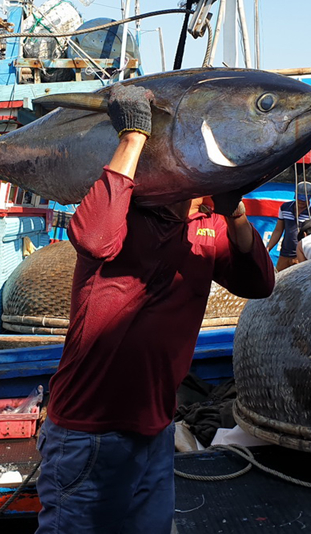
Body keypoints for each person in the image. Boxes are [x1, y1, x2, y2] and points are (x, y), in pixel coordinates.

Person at [35, 85, 275, 534]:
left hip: (157, 429)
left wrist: (235, 213)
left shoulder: (207, 223)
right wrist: (132, 136)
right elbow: (91, 238)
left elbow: (259, 283)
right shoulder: (124, 209)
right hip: (89, 433)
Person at [265, 181, 311, 271]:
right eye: (299, 199)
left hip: (304, 256)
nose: (301, 202)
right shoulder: (285, 208)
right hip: (285, 254)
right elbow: (278, 230)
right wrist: (268, 248)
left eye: (304, 200)